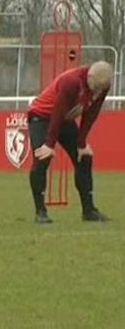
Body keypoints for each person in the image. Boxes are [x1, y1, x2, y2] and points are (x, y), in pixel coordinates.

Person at [27, 60, 112, 224]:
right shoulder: (71, 82)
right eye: (95, 88)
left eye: (101, 89)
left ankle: (89, 211)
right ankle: (40, 212)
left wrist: (81, 143)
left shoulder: (102, 86)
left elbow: (91, 113)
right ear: (90, 76)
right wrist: (49, 144)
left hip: (64, 119)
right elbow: (57, 112)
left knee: (84, 158)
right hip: (42, 117)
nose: (97, 92)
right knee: (42, 158)